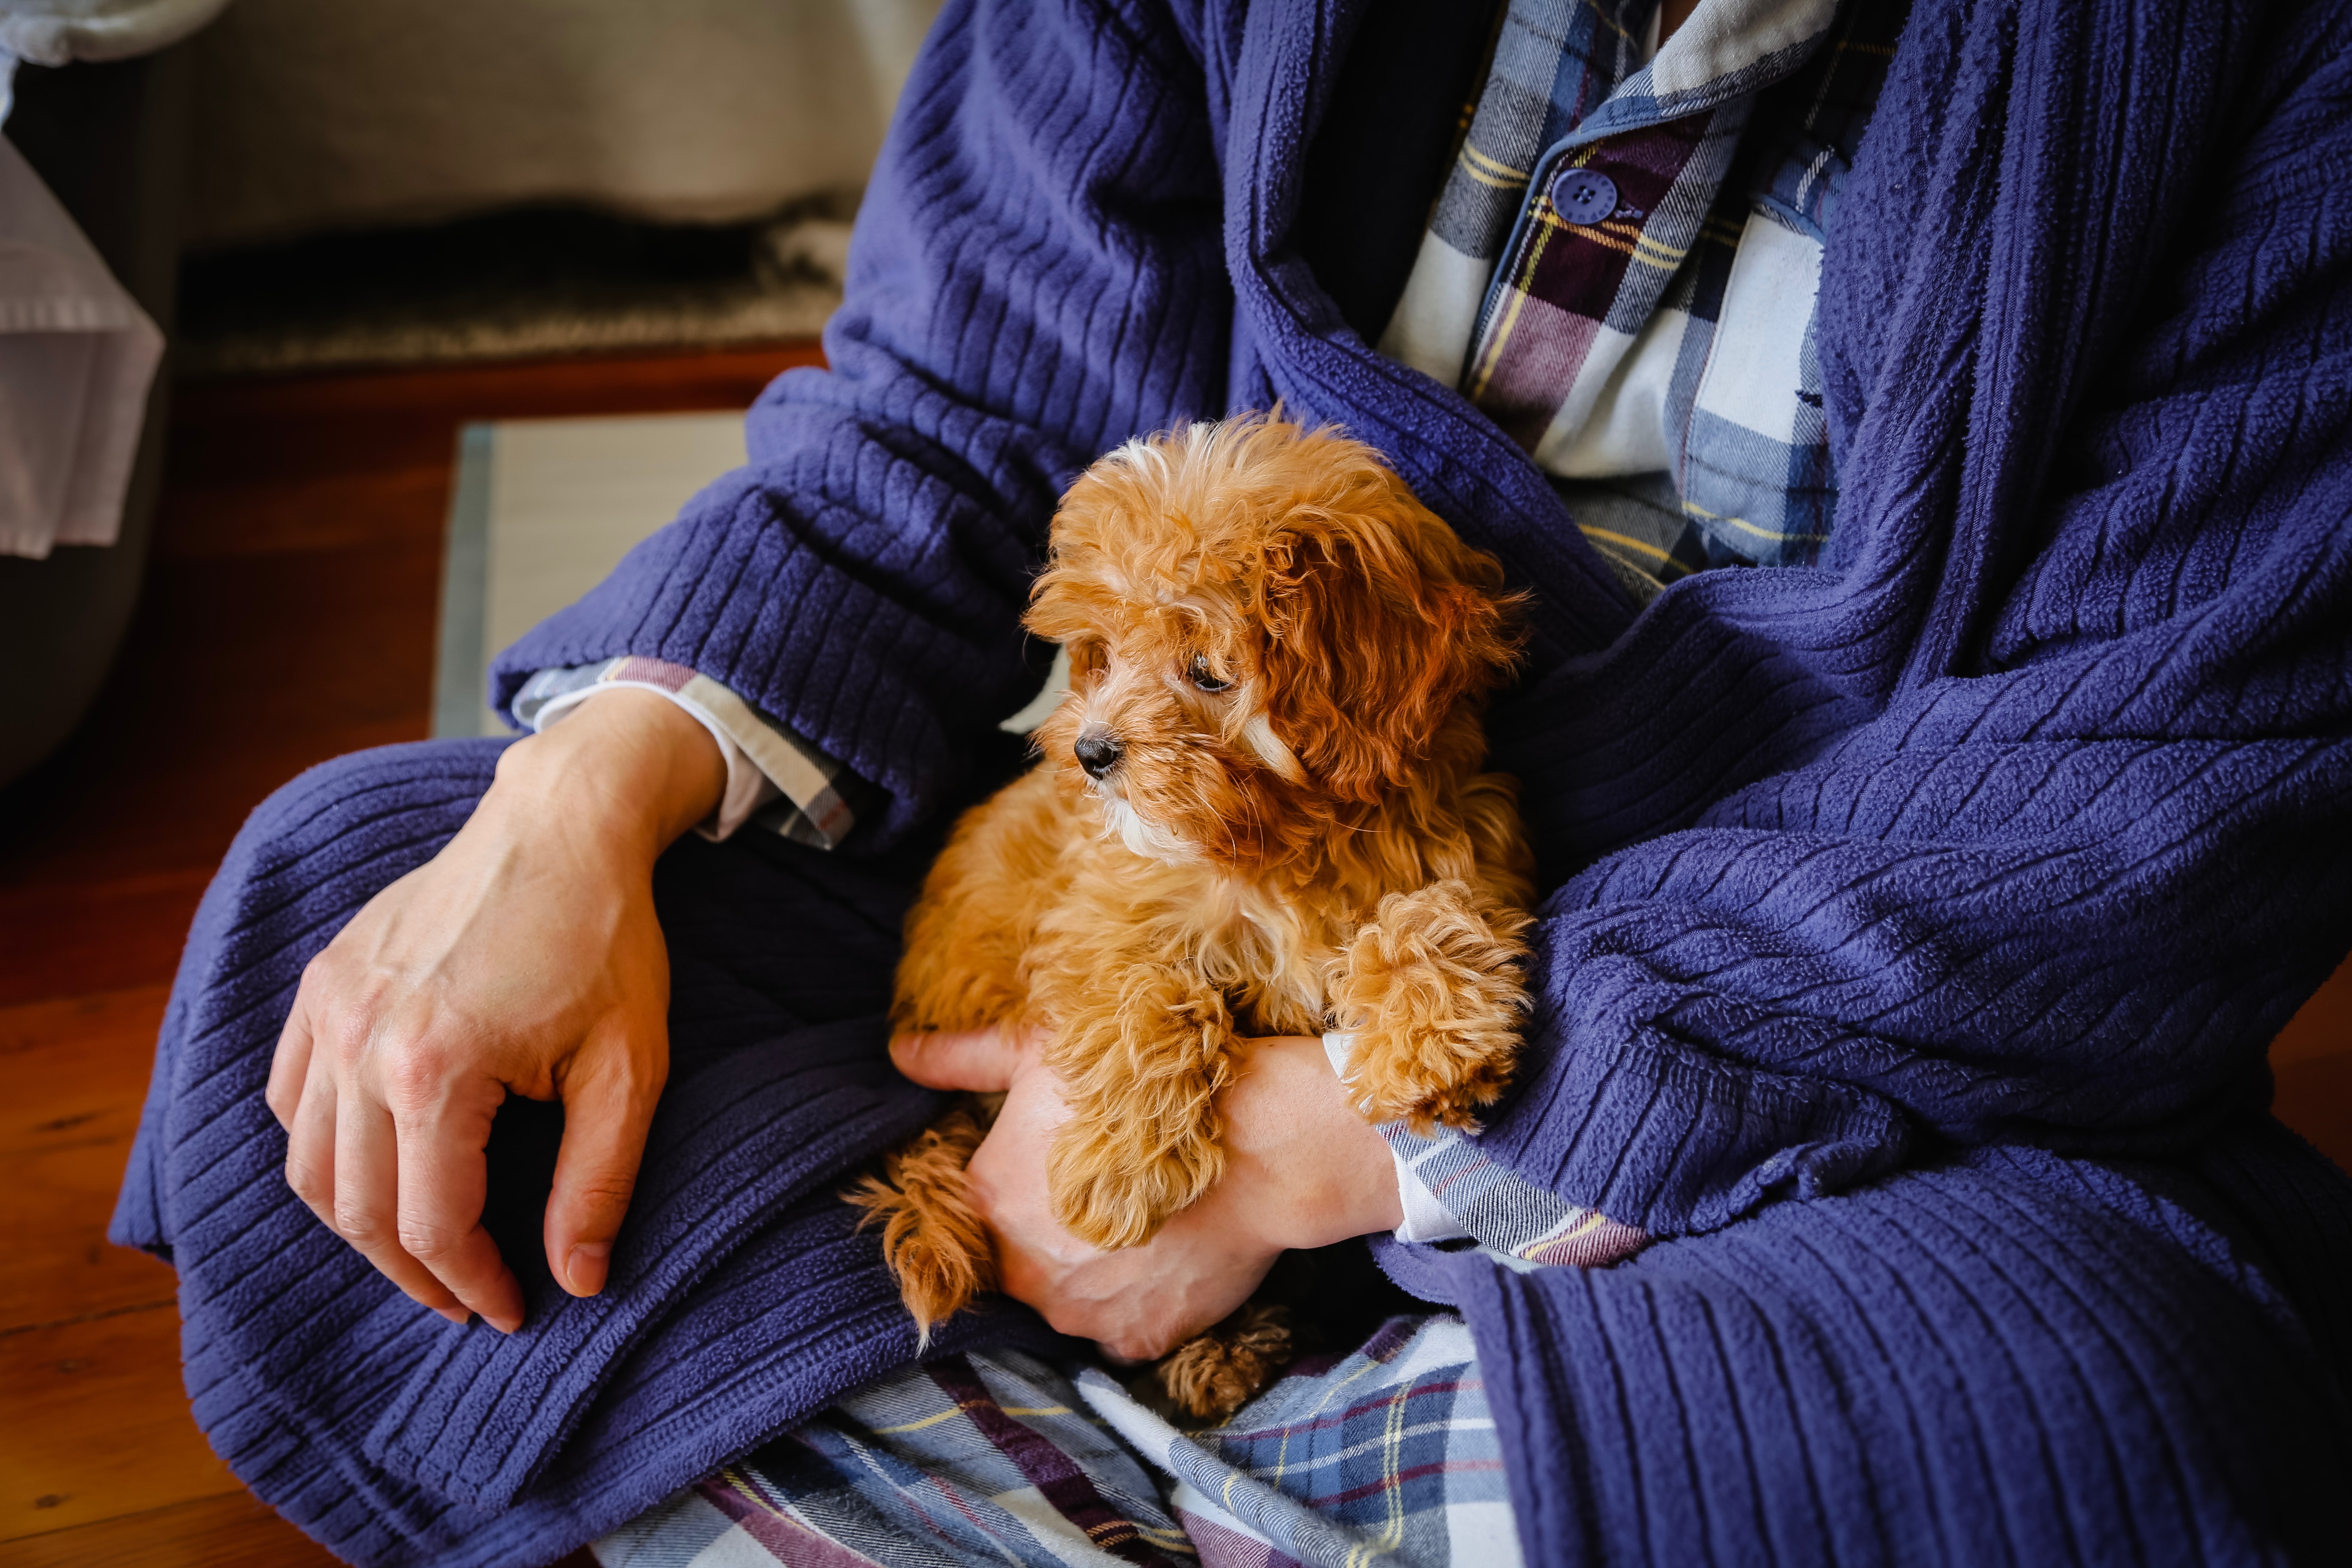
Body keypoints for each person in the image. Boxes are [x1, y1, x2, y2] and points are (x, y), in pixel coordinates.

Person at [112, 0, 2352, 1563]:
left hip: (1804, 1021)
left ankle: (945, 1469)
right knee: (351, 935)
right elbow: (957, 421)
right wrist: (579, 799)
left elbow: (2148, 789)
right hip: (1143, 905)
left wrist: (1308, 1153)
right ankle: (1361, 1485)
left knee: (2082, 1396)